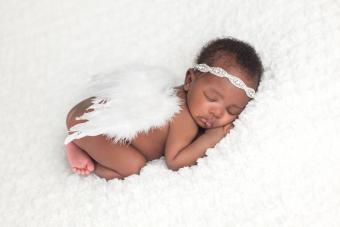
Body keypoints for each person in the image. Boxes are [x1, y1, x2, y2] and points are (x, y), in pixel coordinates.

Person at [64, 37, 263, 180]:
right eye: (211, 98)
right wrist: (211, 137)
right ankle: (80, 144)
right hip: (94, 127)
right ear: (189, 80)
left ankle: (81, 139)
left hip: (87, 110)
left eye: (232, 110)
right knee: (133, 166)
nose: (217, 112)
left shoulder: (186, 99)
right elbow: (175, 161)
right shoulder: (183, 117)